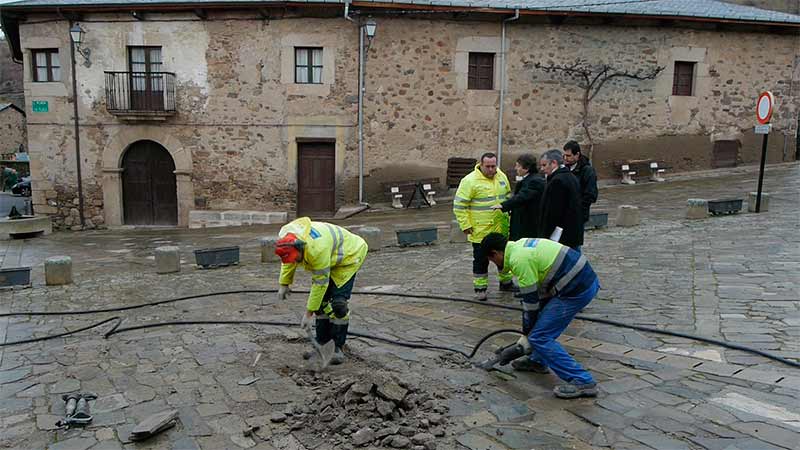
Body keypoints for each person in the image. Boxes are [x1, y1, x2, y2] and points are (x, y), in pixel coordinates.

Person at [480, 232, 600, 399]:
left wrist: (527, 332)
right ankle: (537, 361)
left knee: (540, 336)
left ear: (496, 253)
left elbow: (530, 303)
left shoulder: (519, 260)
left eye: (492, 261)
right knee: (539, 328)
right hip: (581, 280)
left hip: (577, 288)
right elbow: (539, 294)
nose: (495, 265)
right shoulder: (519, 245)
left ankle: (583, 381)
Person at [275, 217, 368, 365]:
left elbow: (320, 284)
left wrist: (308, 313)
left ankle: (337, 348)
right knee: (321, 305)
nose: (295, 262)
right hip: (330, 255)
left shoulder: (317, 249)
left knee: (338, 304)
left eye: (296, 257)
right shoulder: (288, 238)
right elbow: (288, 260)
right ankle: (322, 345)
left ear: (300, 248)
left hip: (350, 256)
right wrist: (284, 283)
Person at [453, 152, 514, 300]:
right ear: (481, 165)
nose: (491, 169)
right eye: (488, 166)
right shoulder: (469, 181)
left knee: (505, 257)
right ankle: (480, 289)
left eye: (494, 166)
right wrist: (465, 224)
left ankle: (506, 282)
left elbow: (507, 198)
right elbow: (459, 205)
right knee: (481, 260)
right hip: (480, 230)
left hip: (500, 228)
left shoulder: (501, 176)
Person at [537, 150, 584, 252]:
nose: (542, 169)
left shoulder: (557, 181)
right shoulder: (571, 176)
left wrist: (544, 235)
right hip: (573, 233)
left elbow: (553, 212)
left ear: (554, 163)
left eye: (544, 165)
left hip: (562, 235)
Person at [492, 153, 545, 241]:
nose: (516, 168)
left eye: (518, 166)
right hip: (521, 223)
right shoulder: (528, 179)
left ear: (526, 168)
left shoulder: (535, 181)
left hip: (527, 225)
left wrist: (503, 205)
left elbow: (522, 196)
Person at [563, 141, 598, 225]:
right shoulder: (564, 168)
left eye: (568, 156)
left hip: (578, 214)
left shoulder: (587, 171)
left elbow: (591, 195)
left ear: (577, 154)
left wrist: (577, 208)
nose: (565, 158)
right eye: (564, 155)